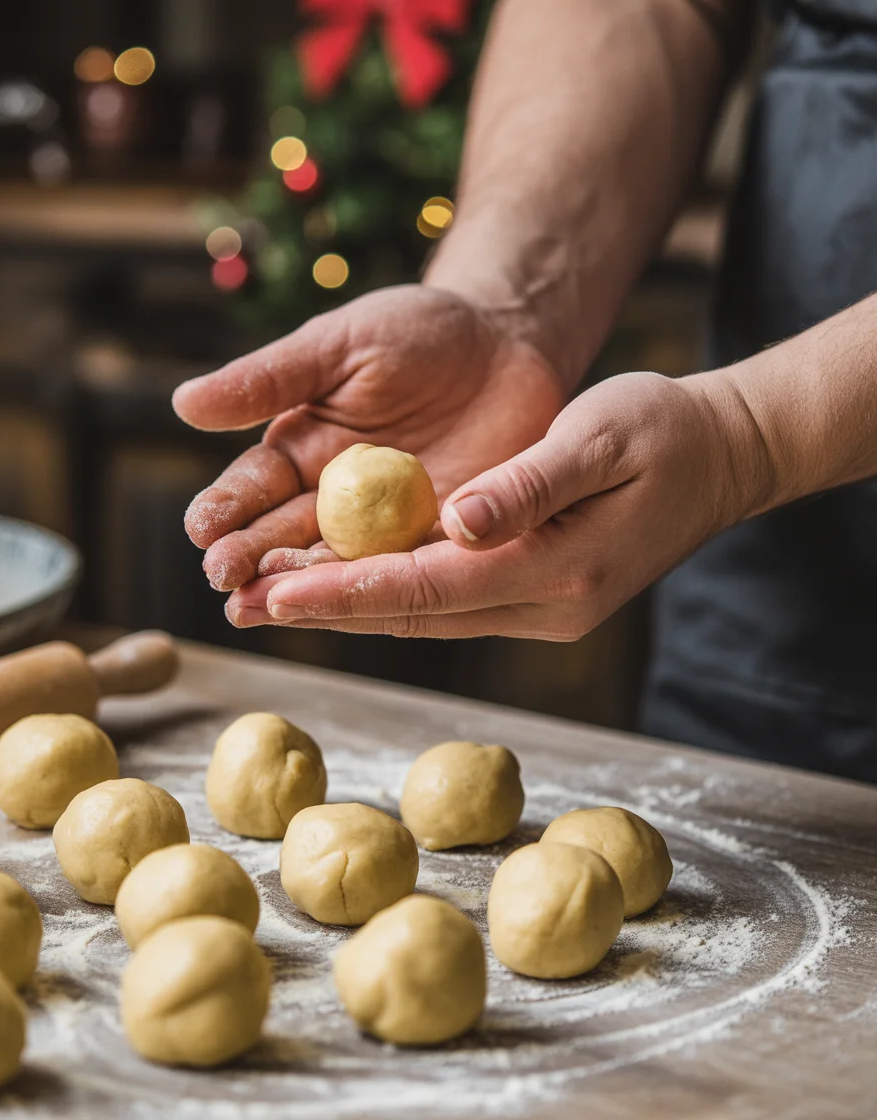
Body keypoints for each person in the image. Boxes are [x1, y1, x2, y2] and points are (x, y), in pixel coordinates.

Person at [173, 0, 877, 781]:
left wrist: (754, 436)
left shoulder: (738, 445)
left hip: (741, 458)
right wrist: (503, 303)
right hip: (770, 589)